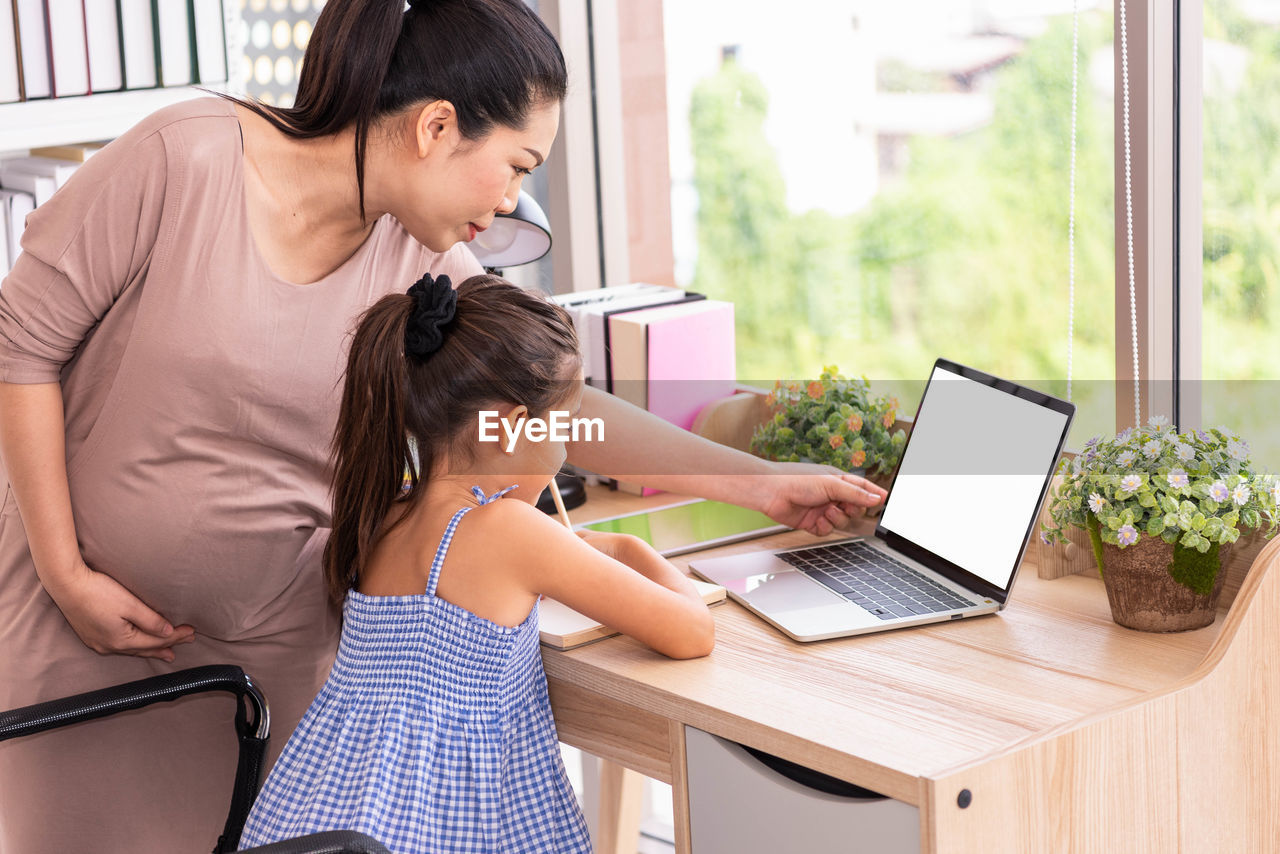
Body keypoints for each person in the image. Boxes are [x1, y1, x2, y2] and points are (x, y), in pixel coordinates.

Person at [0, 0, 882, 850]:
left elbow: (551, 408)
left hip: (280, 669)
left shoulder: (418, 260)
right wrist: (67, 570)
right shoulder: (182, 158)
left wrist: (754, 479)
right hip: (80, 631)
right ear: (435, 128)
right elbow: (20, 345)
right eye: (518, 165)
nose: (511, 204)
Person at [238, 272, 713, 853]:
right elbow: (692, 632)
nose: (565, 452)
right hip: (452, 828)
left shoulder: (381, 512)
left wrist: (592, 548)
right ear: (511, 427)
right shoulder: (513, 532)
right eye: (563, 429)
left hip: (326, 817)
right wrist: (635, 549)